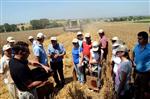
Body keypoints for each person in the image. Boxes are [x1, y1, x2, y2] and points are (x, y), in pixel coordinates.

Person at [132, 31, 150, 99]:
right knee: (136, 87)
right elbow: (133, 53)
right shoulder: (136, 46)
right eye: (138, 39)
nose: (138, 40)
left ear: (146, 39)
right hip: (136, 72)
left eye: (140, 39)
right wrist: (133, 61)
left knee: (144, 90)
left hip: (146, 74)